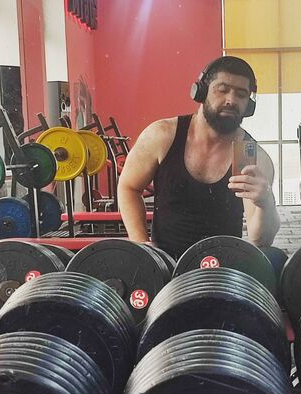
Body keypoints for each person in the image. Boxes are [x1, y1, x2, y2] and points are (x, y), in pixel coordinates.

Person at [118, 56, 280, 262]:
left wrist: (266, 202)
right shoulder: (163, 135)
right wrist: (142, 246)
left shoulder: (248, 155)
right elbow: (129, 187)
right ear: (200, 92)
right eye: (222, 90)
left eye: (241, 94)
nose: (231, 100)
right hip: (165, 266)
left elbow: (259, 239)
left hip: (222, 269)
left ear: (249, 105)